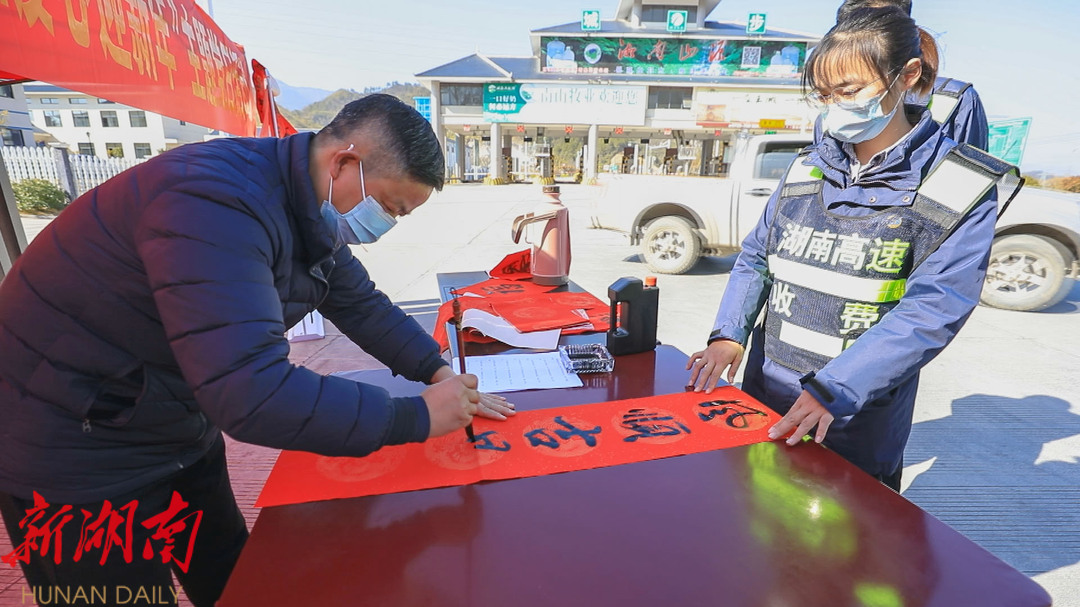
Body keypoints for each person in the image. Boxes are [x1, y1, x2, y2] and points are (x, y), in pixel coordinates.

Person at [0, 93, 513, 605]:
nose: (384, 225)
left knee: (235, 581)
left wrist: (437, 372)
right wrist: (415, 417)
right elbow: (252, 392)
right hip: (69, 448)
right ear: (344, 163)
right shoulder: (213, 204)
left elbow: (360, 304)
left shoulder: (306, 206)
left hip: (169, 417)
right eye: (387, 207)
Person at [687, 7, 1017, 491]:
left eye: (850, 91)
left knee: (843, 528)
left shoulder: (956, 186)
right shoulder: (806, 167)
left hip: (854, 413)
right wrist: (729, 334)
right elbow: (756, 257)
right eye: (825, 95)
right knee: (755, 511)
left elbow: (933, 308)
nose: (835, 106)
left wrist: (836, 389)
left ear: (907, 75)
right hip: (765, 390)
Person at [812, 0, 989, 149]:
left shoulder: (956, 100)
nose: (838, 102)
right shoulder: (830, 111)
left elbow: (970, 169)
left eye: (851, 92)